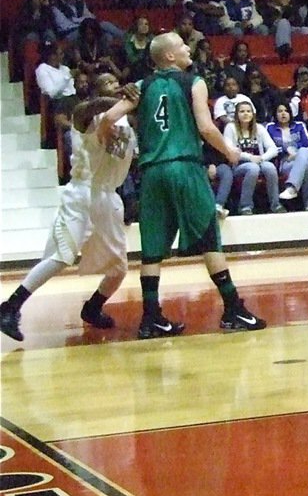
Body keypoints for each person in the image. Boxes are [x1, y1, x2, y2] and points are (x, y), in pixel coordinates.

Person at [96, 32, 265, 337]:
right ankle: (233, 308)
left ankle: (151, 317)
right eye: (183, 46)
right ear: (171, 56)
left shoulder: (142, 86)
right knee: (209, 236)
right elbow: (204, 127)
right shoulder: (193, 81)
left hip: (151, 172)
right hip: (185, 166)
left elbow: (108, 117)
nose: (189, 48)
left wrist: (108, 140)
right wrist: (229, 152)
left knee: (152, 250)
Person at [0, 74, 135, 342]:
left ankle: (93, 307)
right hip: (82, 194)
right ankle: (9, 307)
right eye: (108, 82)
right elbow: (84, 110)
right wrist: (115, 99)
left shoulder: (126, 123)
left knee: (119, 269)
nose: (116, 85)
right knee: (61, 256)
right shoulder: (86, 116)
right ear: (96, 92)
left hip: (109, 197)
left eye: (116, 82)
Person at [223, 101, 283, 215]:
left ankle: (275, 204)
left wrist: (262, 158)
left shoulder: (259, 128)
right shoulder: (230, 127)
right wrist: (250, 157)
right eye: (242, 111)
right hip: (238, 165)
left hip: (259, 161)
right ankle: (245, 206)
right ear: (236, 114)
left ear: (252, 114)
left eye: (248, 111)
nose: (245, 114)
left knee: (270, 167)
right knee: (253, 168)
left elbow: (273, 149)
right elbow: (229, 149)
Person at [267, 103, 308, 210]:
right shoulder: (270, 128)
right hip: (286, 162)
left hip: (307, 154)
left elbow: (307, 145)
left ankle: (292, 187)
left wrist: (296, 154)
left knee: (303, 151)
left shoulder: (299, 125)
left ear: (290, 113)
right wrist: (285, 150)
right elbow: (270, 147)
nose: (283, 114)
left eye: (286, 111)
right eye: (280, 111)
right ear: (275, 114)